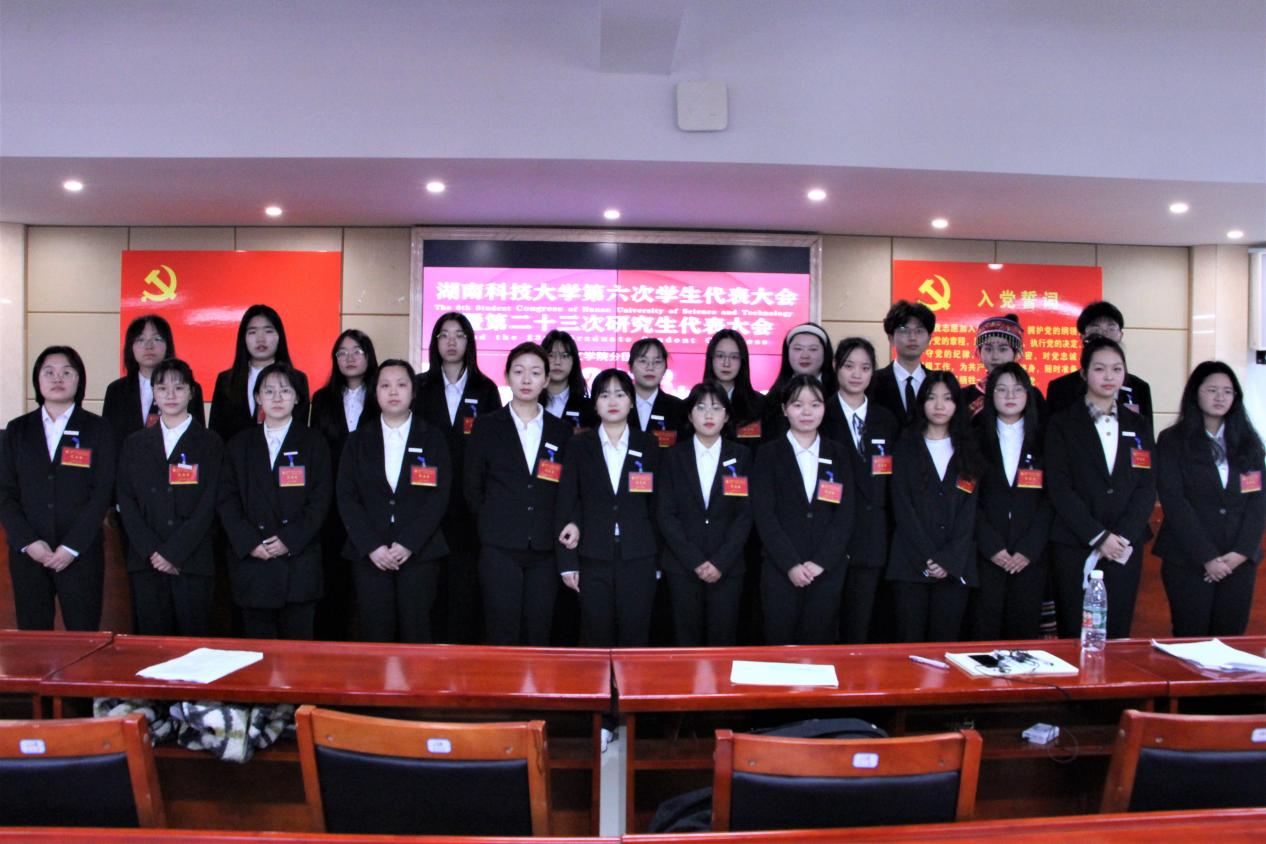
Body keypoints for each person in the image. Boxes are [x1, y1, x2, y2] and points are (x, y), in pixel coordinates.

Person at [1045, 336, 1155, 639]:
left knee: (1117, 632)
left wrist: (1122, 536)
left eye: (1117, 369)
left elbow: (1147, 485)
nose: (1109, 376)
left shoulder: (1138, 424)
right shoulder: (1062, 424)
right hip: (1074, 543)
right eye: (1100, 368)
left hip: (1123, 547)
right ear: (1084, 373)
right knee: (1074, 632)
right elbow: (1060, 487)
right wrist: (1097, 536)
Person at [465, 343, 574, 645]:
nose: (526, 379)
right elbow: (472, 486)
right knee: (501, 631)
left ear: (546, 379)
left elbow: (567, 489)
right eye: (519, 371)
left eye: (535, 373)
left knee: (539, 631)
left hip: (545, 547)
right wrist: (491, 523)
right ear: (507, 377)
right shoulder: (486, 426)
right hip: (499, 545)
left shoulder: (561, 431)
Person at [0, 347, 115, 630]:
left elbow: (102, 492)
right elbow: (5, 492)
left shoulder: (98, 429)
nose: (57, 378)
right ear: (37, 380)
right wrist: (28, 542)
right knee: (33, 638)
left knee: (83, 637)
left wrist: (72, 547)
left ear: (79, 379)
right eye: (49, 372)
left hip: (81, 553)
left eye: (67, 372)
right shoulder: (17, 430)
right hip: (29, 555)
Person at [338, 360, 451, 643]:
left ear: (413, 391)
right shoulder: (357, 440)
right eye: (385, 385)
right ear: (375, 392)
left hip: (420, 553)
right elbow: (347, 497)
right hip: (370, 555)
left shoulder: (433, 437)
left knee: (417, 633)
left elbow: (439, 496)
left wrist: (409, 543)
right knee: (375, 633)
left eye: (401, 384)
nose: (393, 392)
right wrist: (372, 546)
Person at [218, 362, 331, 640]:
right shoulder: (239, 444)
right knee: (258, 655)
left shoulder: (314, 442)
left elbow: (320, 499)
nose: (277, 397)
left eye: (285, 390)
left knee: (297, 656)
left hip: (298, 564)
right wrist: (250, 542)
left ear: (297, 397)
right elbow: (226, 499)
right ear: (258, 398)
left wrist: (289, 540)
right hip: (253, 564)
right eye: (269, 391)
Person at [1155, 362, 1266, 637]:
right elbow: (1174, 501)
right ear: (1196, 393)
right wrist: (1207, 557)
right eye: (1212, 390)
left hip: (1238, 562)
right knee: (1191, 639)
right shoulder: (1173, 440)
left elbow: (1258, 503)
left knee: (1231, 640)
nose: (1220, 397)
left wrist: (1240, 553)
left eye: (1228, 392)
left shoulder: (1249, 441)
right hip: (1188, 559)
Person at [115, 358, 222, 636]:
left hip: (193, 561)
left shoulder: (211, 442)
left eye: (179, 387)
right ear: (153, 393)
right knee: (152, 647)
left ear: (191, 392)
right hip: (147, 561)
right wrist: (154, 551)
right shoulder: (135, 443)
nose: (171, 394)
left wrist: (174, 553)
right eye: (162, 388)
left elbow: (210, 503)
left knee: (194, 646)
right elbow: (126, 501)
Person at [413, 312, 502, 642]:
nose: (451, 342)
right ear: (435, 342)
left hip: (470, 503)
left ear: (469, 342)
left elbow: (493, 450)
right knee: (430, 584)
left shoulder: (485, 388)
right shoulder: (420, 386)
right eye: (444, 335)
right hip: (425, 499)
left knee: (467, 584)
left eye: (459, 335)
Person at [555, 369, 660, 647]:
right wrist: (567, 562)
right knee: (595, 636)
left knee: (635, 637)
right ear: (595, 404)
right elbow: (567, 501)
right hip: (593, 555)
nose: (612, 401)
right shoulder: (579, 445)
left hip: (639, 556)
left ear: (631, 402)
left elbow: (657, 506)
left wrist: (659, 561)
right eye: (604, 395)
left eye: (620, 394)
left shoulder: (648, 444)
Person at [752, 373, 854, 645]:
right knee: (779, 647)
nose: (807, 412)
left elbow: (845, 514)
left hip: (826, 571)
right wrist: (791, 564)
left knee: (819, 647)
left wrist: (821, 562)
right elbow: (764, 515)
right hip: (780, 570)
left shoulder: (838, 453)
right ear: (784, 409)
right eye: (798, 405)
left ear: (824, 408)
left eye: (815, 404)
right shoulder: (768, 454)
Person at [886, 371, 981, 643]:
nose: (939, 406)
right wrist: (930, 557)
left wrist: (948, 560)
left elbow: (970, 510)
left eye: (947, 398)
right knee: (909, 645)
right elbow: (902, 507)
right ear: (922, 403)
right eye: (931, 398)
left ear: (957, 404)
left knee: (945, 645)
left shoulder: (968, 447)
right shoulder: (905, 445)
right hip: (910, 565)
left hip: (955, 567)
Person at [657, 382, 753, 646]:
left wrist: (720, 561)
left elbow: (745, 515)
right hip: (683, 566)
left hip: (728, 567)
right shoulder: (673, 457)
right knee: (685, 640)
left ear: (727, 416)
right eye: (700, 408)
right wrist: (696, 561)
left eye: (716, 408)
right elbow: (666, 514)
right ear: (690, 415)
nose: (708, 415)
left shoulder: (742, 456)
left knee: (723, 640)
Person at [820, 337, 899, 644]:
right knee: (825, 625)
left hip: (872, 537)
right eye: (849, 366)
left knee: (861, 626)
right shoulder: (820, 414)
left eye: (865, 368)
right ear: (835, 367)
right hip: (828, 537)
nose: (856, 374)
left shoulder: (886, 419)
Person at [972, 362, 1053, 640]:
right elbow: (968, 499)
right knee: (984, 633)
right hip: (986, 554)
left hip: (1029, 556)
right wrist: (991, 546)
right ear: (990, 395)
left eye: (1017, 389)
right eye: (1002, 389)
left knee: (1023, 634)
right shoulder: (974, 438)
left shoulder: (1043, 439)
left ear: (1028, 395)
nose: (1010, 396)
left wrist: (1028, 549)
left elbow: (1051, 500)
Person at [309, 329, 379, 639]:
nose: (349, 358)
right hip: (330, 502)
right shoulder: (322, 399)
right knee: (332, 579)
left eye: (357, 351)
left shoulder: (381, 396)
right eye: (342, 353)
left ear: (369, 356)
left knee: (368, 582)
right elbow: (315, 451)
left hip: (370, 502)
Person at [103, 314, 206, 458]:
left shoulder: (190, 388)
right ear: (131, 347)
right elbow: (108, 441)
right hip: (128, 467)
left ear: (167, 344)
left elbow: (199, 439)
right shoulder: (116, 391)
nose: (149, 346)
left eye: (157, 339)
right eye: (140, 340)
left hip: (177, 466)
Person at [209, 304, 311, 444]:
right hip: (235, 457)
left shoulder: (297, 379)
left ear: (279, 336)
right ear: (243, 338)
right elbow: (216, 433)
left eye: (268, 331)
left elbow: (299, 431)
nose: (260, 339)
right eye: (252, 332)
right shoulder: (226, 380)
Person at [1045, 301, 1153, 429]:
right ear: (1082, 337)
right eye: (1095, 329)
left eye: (1111, 329)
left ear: (1121, 335)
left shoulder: (1139, 388)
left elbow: (1146, 436)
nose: (1103, 335)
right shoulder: (1060, 388)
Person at [961, 314, 1044, 419]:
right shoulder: (965, 395)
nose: (995, 356)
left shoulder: (1032, 395)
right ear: (979, 352)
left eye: (1003, 349)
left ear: (1016, 354)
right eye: (988, 349)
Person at [869, 300, 937, 430]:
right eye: (904, 330)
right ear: (891, 338)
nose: (912, 337)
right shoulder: (872, 382)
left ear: (929, 339)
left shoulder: (938, 383)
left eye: (919, 331)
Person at [762, 323, 835, 441]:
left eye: (813, 349)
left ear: (825, 353)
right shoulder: (774, 397)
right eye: (798, 349)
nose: (805, 355)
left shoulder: (837, 392)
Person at [704, 329, 766, 443]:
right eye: (720, 356)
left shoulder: (760, 404)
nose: (726, 363)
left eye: (734, 357)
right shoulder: (695, 403)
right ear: (711, 359)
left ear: (742, 361)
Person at [628, 338, 685, 446]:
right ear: (631, 367)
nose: (650, 367)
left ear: (665, 368)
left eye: (657, 362)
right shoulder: (619, 405)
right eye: (643, 361)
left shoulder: (678, 408)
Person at [541, 329, 596, 431]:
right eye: (551, 355)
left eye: (564, 356)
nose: (557, 362)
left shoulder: (589, 408)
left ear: (574, 361)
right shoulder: (532, 403)